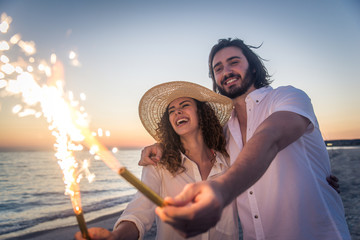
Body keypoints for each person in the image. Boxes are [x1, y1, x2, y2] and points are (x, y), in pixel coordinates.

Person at [140, 38, 351, 239]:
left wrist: (223, 189)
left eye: (234, 62)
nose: (227, 71)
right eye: (218, 68)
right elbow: (193, 143)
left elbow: (270, 137)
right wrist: (162, 146)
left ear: (254, 67)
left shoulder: (287, 97)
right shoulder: (224, 132)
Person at [75, 81, 239, 240]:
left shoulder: (228, 159)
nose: (177, 112)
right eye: (171, 111)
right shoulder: (159, 164)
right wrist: (117, 236)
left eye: (185, 105)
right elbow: (140, 208)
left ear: (201, 112)